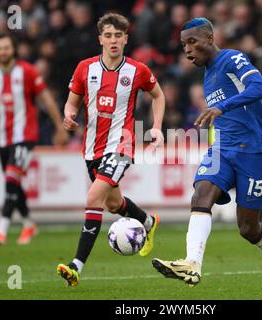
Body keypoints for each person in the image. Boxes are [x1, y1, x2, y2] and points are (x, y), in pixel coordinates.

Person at [152, 18, 262, 294]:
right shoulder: (207, 74)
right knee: (200, 195)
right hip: (223, 149)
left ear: (209, 38)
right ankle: (192, 263)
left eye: (192, 42)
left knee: (248, 228)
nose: (187, 50)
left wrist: (222, 106)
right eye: (183, 44)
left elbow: (260, 87)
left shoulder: (232, 58)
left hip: (254, 150)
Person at [57, 13, 165, 287]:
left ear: (126, 39)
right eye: (108, 35)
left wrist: (157, 127)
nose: (113, 40)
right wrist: (68, 116)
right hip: (92, 149)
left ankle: (76, 267)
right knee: (114, 204)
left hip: (122, 146)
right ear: (100, 39)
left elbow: (158, 95)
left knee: (94, 198)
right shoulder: (85, 68)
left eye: (118, 35)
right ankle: (148, 222)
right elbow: (72, 103)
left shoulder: (138, 70)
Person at [0, 33, 69, 245]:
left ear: (13, 49)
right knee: (14, 184)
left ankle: (1, 229)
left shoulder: (27, 71)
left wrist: (59, 126)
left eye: (6, 48)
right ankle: (28, 224)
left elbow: (46, 99)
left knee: (11, 180)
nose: (3, 52)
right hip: (2, 138)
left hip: (25, 136)